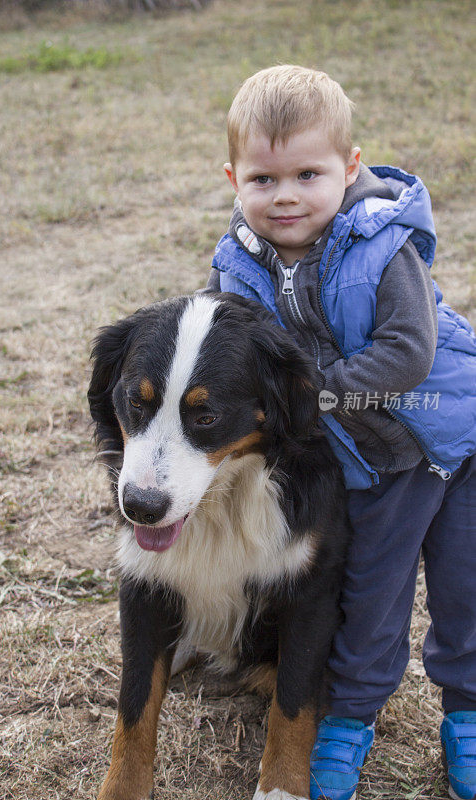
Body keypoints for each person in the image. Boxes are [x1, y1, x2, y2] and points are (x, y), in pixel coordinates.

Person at [206, 64, 476, 800]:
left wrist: (310, 395)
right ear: (233, 177)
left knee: (464, 590)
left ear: (349, 168)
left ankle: (468, 715)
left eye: (307, 173)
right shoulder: (235, 272)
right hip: (377, 467)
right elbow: (217, 347)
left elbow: (407, 353)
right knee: (370, 596)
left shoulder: (383, 246)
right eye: (263, 179)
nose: (285, 195)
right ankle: (349, 720)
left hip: (451, 439)